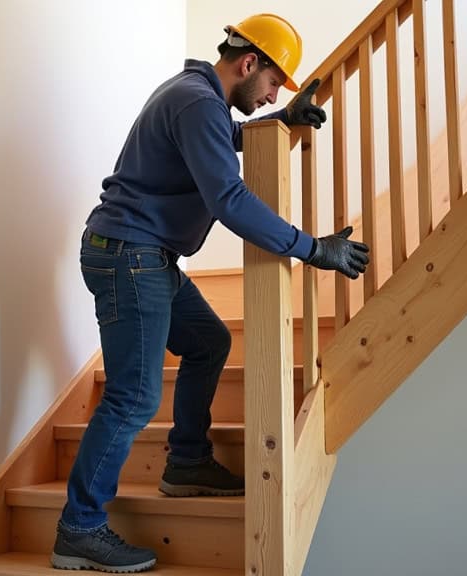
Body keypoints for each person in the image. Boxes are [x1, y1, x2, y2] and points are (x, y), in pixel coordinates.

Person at [51, 13, 370, 573]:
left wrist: (281, 119)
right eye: (273, 83)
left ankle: (188, 463)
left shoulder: (198, 98)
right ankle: (79, 527)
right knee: (133, 398)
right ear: (249, 64)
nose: (273, 91)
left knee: (207, 341)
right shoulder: (198, 102)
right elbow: (227, 197)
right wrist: (312, 248)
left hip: (142, 254)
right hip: (130, 256)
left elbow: (213, 147)